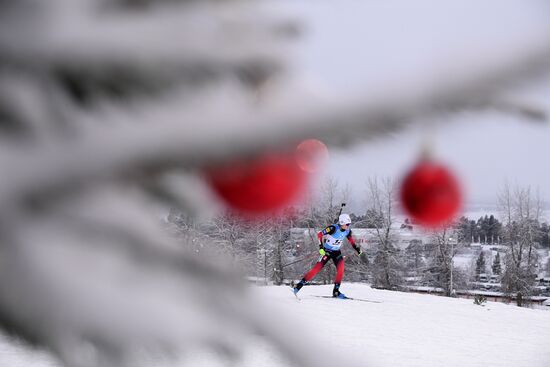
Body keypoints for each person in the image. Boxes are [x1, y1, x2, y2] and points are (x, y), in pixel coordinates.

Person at [293, 213, 363, 298]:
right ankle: (297, 287)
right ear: (341, 223)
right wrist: (321, 248)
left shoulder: (348, 231)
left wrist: (357, 249)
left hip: (336, 252)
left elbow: (351, 241)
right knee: (316, 269)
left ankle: (336, 292)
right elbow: (320, 234)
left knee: (341, 270)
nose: (348, 226)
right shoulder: (333, 228)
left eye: (349, 224)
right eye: (347, 224)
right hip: (327, 251)